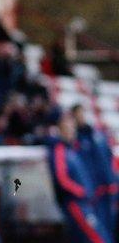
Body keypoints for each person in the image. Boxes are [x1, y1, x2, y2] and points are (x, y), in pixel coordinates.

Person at [48, 111, 112, 243]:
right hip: (76, 204)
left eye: (73, 128)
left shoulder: (75, 149)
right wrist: (81, 191)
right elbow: (62, 179)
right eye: (68, 128)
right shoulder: (60, 150)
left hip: (86, 203)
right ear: (61, 129)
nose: (71, 131)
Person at [72, 104, 117, 239]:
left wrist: (113, 180)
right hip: (93, 192)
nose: (82, 117)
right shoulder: (76, 140)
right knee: (98, 230)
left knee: (111, 226)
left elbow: (109, 158)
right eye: (78, 115)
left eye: (83, 113)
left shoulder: (98, 135)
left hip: (108, 187)